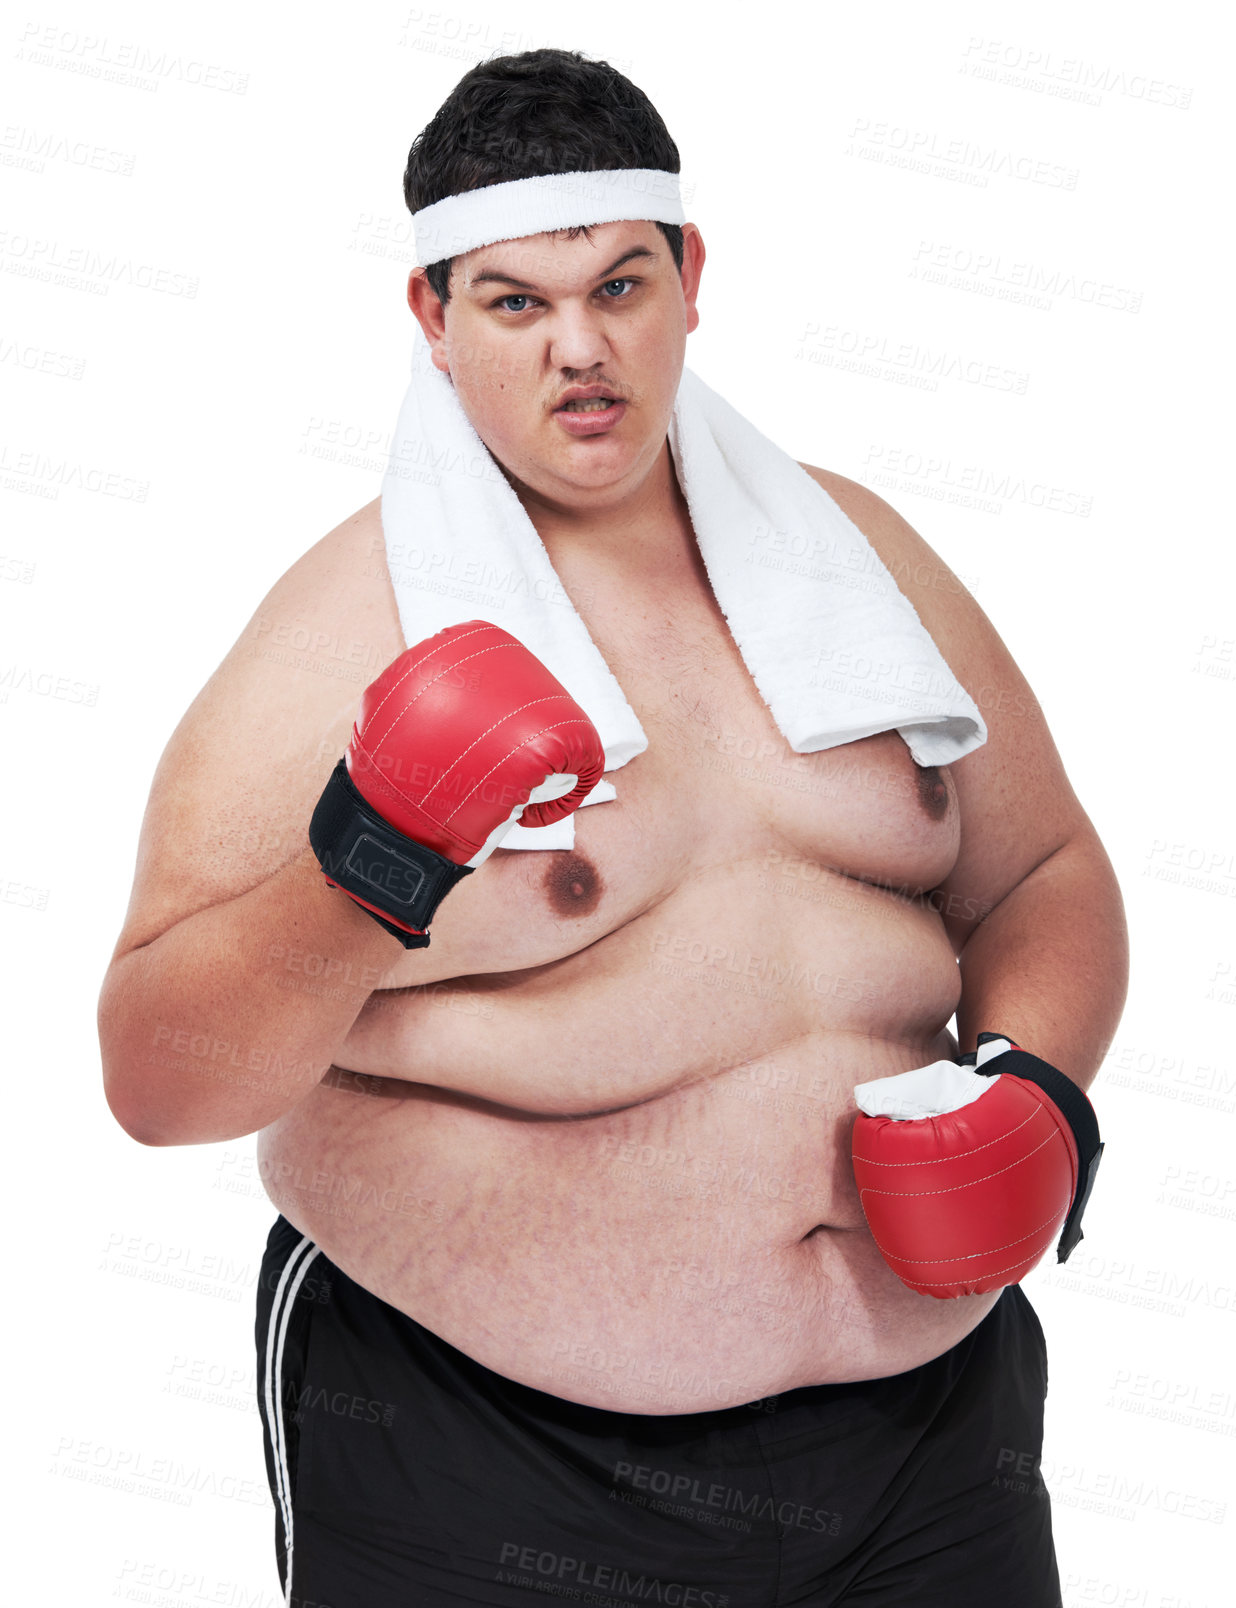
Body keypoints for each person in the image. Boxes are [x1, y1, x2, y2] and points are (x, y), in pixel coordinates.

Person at [98, 46, 1128, 1608]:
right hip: (482, 1458)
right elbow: (155, 1081)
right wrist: (369, 859)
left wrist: (1040, 1079)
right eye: (515, 302)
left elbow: (1044, 873)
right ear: (434, 322)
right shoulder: (345, 634)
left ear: (691, 278)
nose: (581, 349)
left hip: (927, 1445)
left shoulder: (861, 566)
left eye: (621, 287)